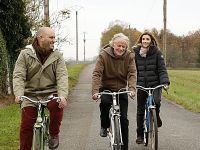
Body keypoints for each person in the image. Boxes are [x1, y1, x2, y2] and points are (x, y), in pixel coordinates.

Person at [13, 27, 68, 150]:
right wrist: (18, 94)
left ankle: (54, 134)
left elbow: (62, 76)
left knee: (58, 105)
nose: (54, 40)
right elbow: (18, 75)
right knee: (26, 125)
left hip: (50, 92)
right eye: (51, 37)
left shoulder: (57, 56)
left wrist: (62, 95)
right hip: (29, 94)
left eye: (54, 37)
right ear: (40, 38)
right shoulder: (25, 54)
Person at [92, 33, 137, 150]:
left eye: (124, 46)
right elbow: (97, 74)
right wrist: (95, 91)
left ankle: (124, 147)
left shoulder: (129, 56)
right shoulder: (104, 55)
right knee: (105, 102)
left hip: (121, 89)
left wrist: (132, 89)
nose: (121, 48)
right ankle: (104, 125)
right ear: (113, 44)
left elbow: (132, 73)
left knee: (123, 120)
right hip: (106, 87)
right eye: (119, 45)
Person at [133, 31, 170, 144]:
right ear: (140, 40)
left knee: (157, 102)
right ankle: (140, 134)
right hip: (141, 85)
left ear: (151, 41)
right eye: (143, 39)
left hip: (155, 84)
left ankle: (156, 116)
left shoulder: (157, 53)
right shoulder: (135, 53)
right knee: (140, 110)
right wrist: (132, 84)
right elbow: (132, 70)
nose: (145, 41)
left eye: (147, 39)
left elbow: (162, 69)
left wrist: (165, 82)